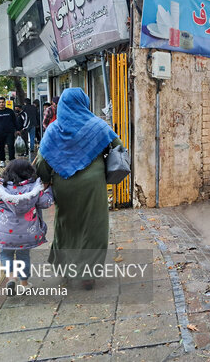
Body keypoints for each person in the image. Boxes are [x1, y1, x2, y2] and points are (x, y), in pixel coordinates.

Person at [34, 88, 122, 290]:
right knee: (94, 226)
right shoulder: (97, 125)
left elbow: (42, 163)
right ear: (85, 103)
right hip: (93, 185)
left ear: (62, 105)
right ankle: (88, 275)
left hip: (65, 185)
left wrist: (46, 180)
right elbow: (118, 146)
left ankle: (65, 268)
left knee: (66, 224)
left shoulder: (54, 129)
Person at [0, 159, 54, 296]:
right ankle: (24, 284)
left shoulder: (0, 189)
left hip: (4, 235)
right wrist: (49, 190)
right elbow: (46, 203)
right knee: (23, 256)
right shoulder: (34, 189)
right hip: (27, 234)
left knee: (5, 255)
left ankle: (11, 277)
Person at [0, 97, 19, 168]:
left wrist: (17, 129)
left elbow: (15, 121)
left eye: (3, 102)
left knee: (11, 146)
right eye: (0, 102)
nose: (1, 103)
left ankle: (12, 161)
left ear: (5, 103)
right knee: (0, 147)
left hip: (10, 132)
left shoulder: (10, 111)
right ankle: (2, 161)